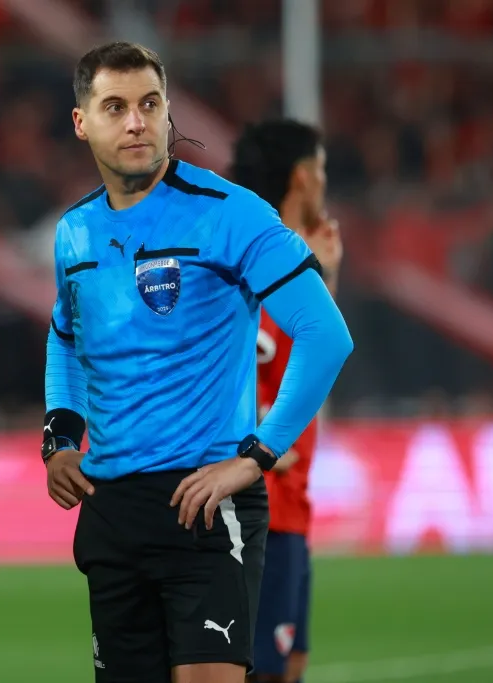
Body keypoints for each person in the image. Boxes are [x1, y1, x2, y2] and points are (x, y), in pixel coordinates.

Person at [41, 42, 354, 683]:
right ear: (82, 122)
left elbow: (324, 333)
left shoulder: (231, 212)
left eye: (150, 104)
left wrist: (257, 455)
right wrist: (60, 437)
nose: (136, 121)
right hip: (111, 509)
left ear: (167, 113)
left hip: (205, 506)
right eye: (116, 106)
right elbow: (65, 337)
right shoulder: (73, 231)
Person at [231, 119, 343, 683]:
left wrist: (328, 279)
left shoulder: (301, 263)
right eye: (321, 170)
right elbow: (240, 359)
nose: (325, 182)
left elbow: (306, 360)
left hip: (292, 504)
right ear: (302, 176)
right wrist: (258, 439)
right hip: (263, 503)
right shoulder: (261, 260)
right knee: (266, 670)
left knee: (290, 665)